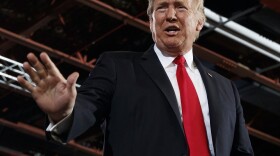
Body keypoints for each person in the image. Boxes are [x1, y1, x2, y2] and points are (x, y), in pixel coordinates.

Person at [17, 0, 254, 155]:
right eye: (161, 8)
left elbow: (242, 151)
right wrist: (63, 112)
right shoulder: (118, 67)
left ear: (200, 22)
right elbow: (88, 106)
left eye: (180, 7)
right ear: (151, 22)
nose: (170, 15)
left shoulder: (226, 89)